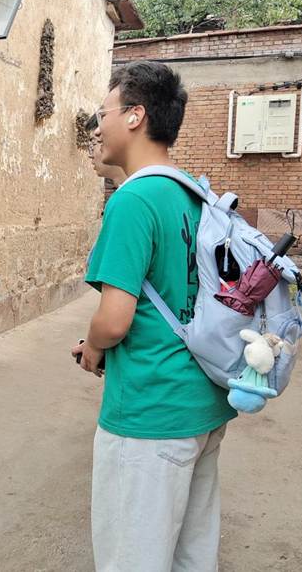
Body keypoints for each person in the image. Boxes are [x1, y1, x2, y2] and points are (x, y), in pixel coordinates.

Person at [71, 62, 237, 572]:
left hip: (149, 413)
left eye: (104, 114)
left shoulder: (134, 199)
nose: (97, 127)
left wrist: (95, 346)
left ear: (136, 116)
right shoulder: (191, 193)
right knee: (191, 552)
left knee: (134, 557)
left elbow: (114, 320)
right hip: (203, 403)